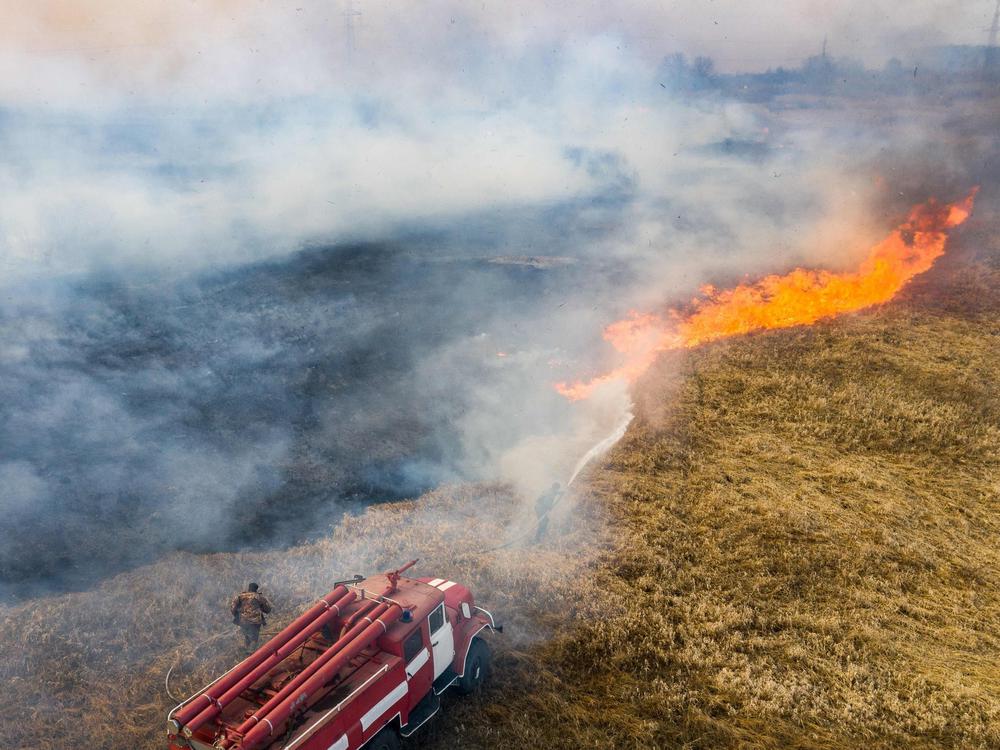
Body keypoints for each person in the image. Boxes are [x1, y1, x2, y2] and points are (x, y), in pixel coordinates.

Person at [230, 582, 272, 651]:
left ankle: (246, 651)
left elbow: (233, 607)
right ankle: (251, 652)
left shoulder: (240, 596)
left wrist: (237, 615)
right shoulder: (258, 597)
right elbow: (267, 609)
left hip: (243, 621)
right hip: (255, 621)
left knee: (247, 636)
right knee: (254, 638)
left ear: (249, 588)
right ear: (256, 589)